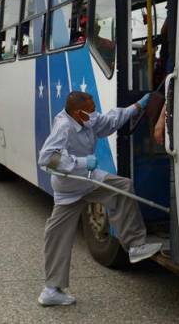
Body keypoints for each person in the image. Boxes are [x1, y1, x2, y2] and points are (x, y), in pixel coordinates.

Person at [36, 90, 161, 307]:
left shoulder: (87, 118)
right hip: (70, 189)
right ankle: (51, 290)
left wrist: (137, 107)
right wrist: (83, 163)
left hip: (89, 180)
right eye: (91, 109)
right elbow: (47, 158)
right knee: (57, 235)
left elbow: (110, 120)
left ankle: (135, 246)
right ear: (77, 113)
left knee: (123, 187)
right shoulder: (63, 126)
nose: (94, 113)